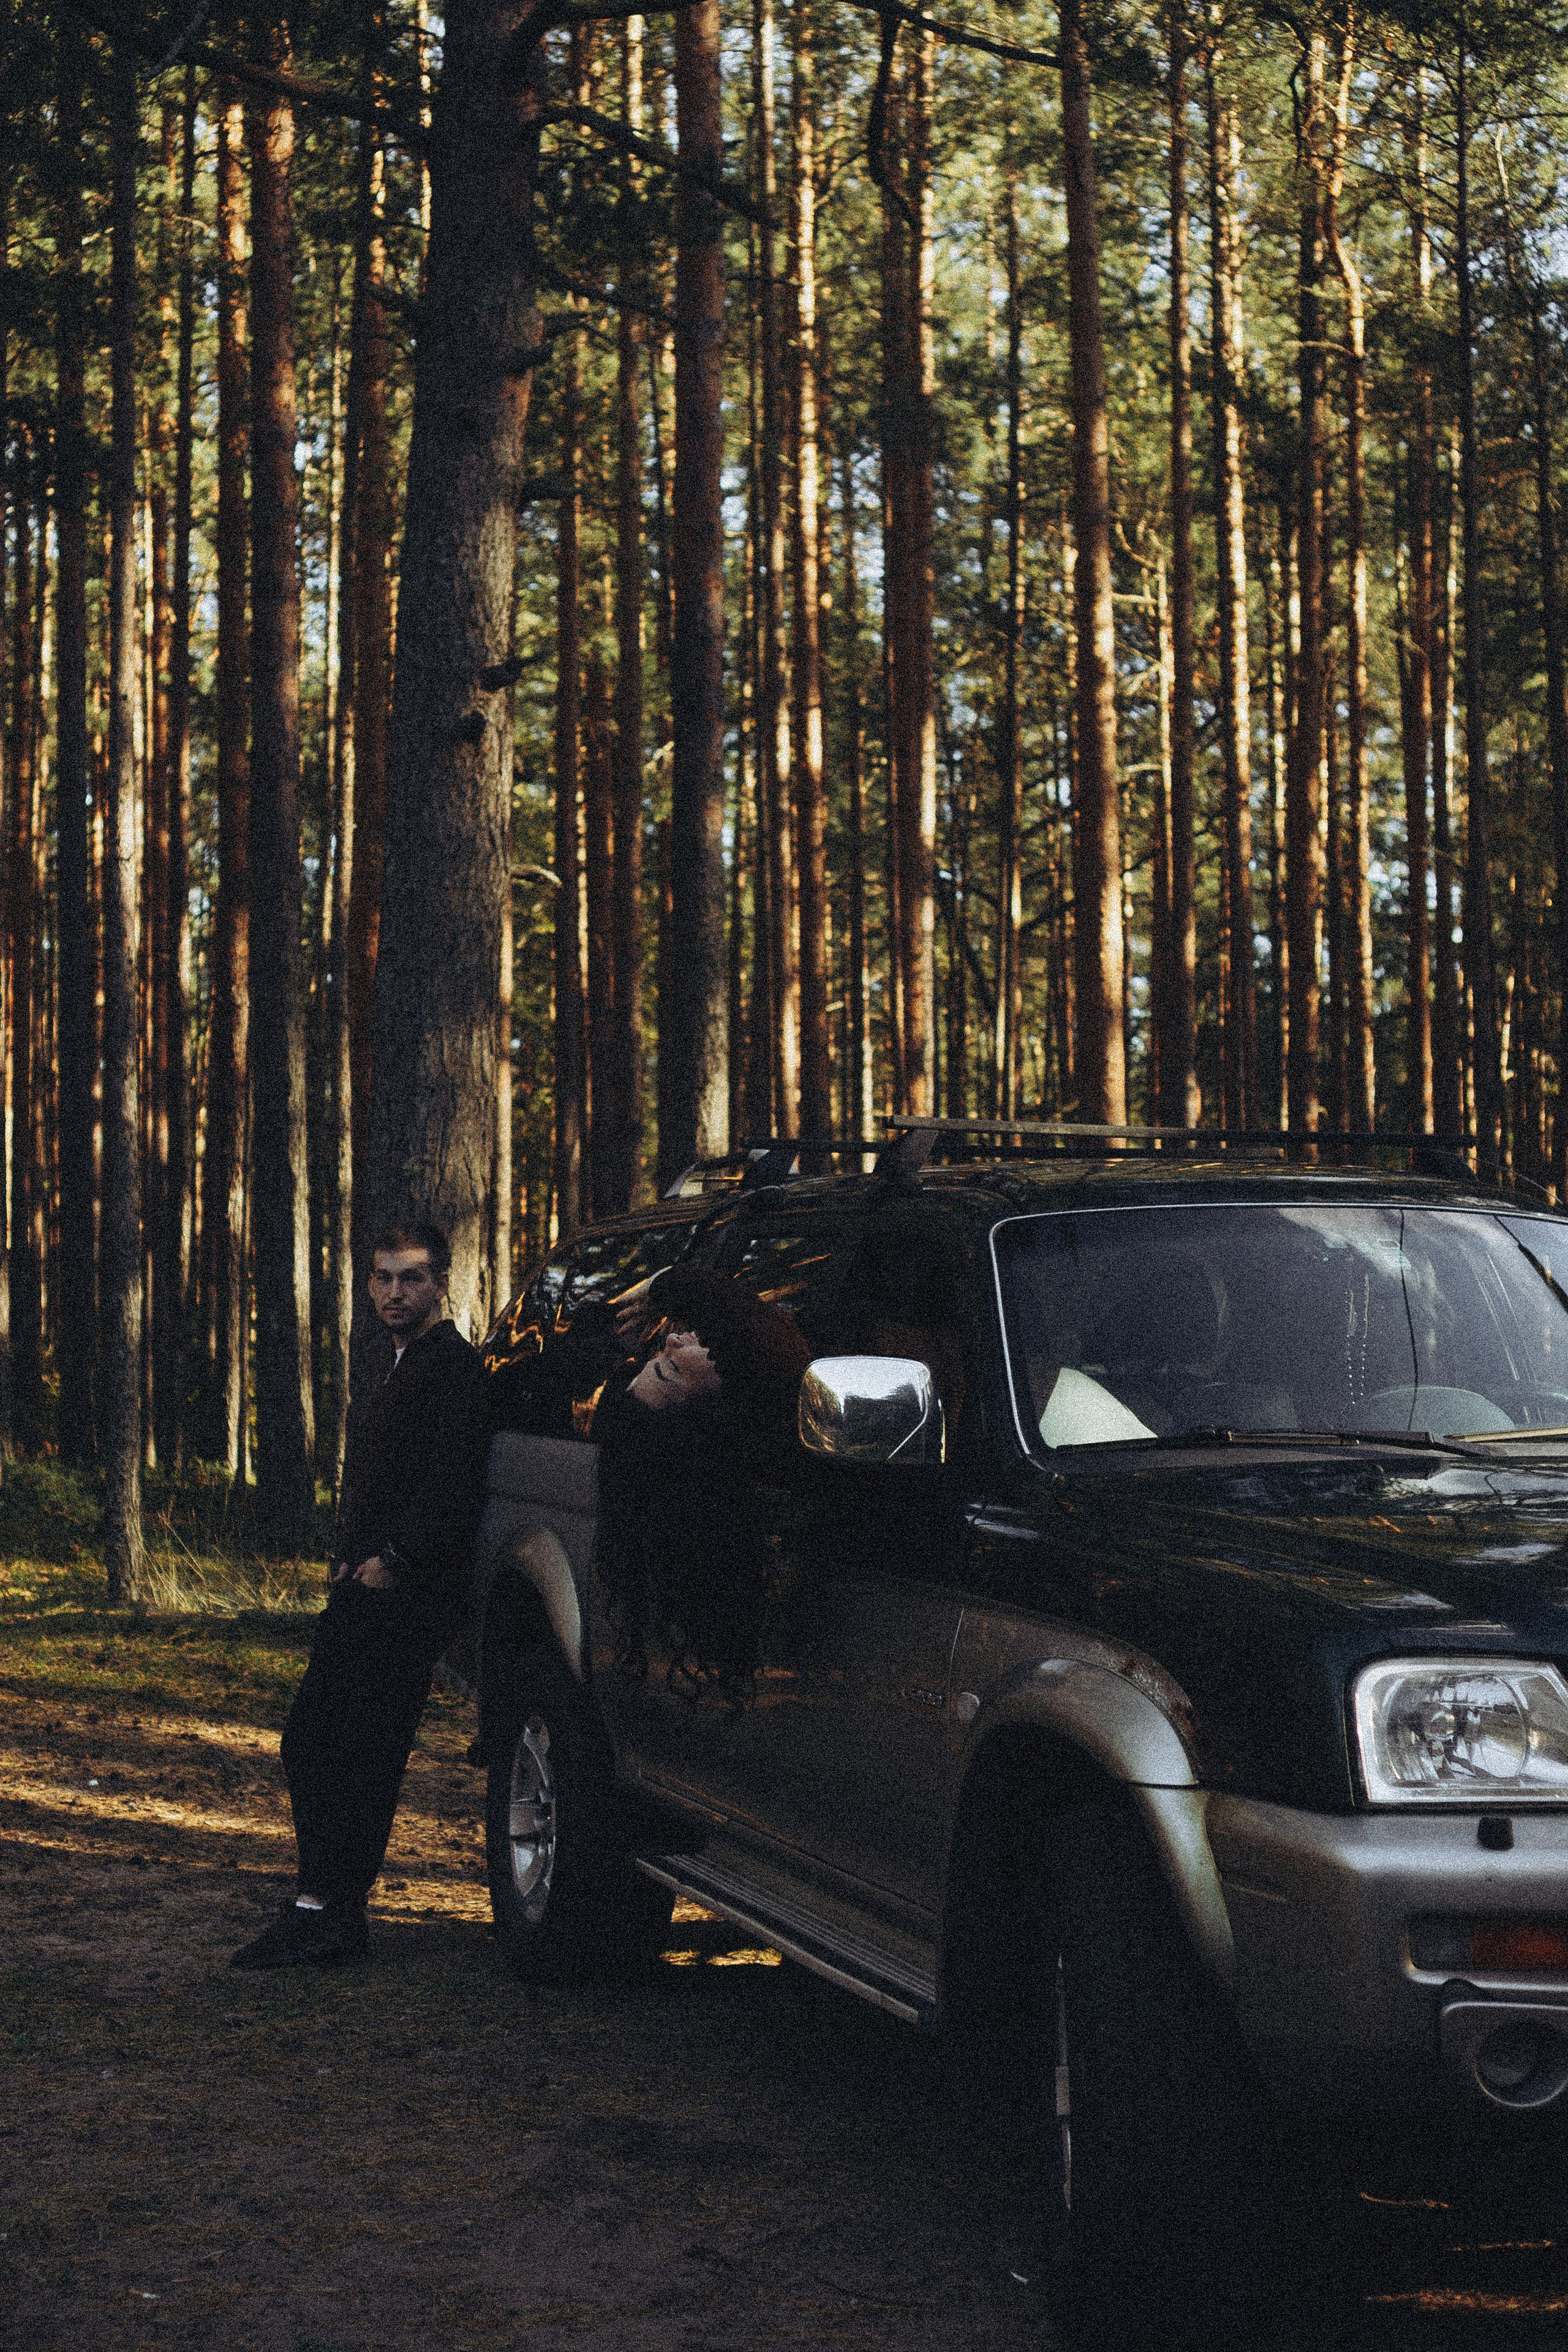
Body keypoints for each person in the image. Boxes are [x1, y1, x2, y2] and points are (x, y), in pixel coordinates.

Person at [232, 1222, 492, 1969]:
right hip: (369, 1584)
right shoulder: (398, 1364)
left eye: (411, 1278)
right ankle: (325, 1910)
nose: (394, 1292)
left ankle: (328, 1913)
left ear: (441, 1283)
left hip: (407, 1593)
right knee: (320, 1744)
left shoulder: (453, 1369)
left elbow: (454, 1485)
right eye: (382, 1278)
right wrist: (351, 1561)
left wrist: (394, 1560)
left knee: (350, 1750)